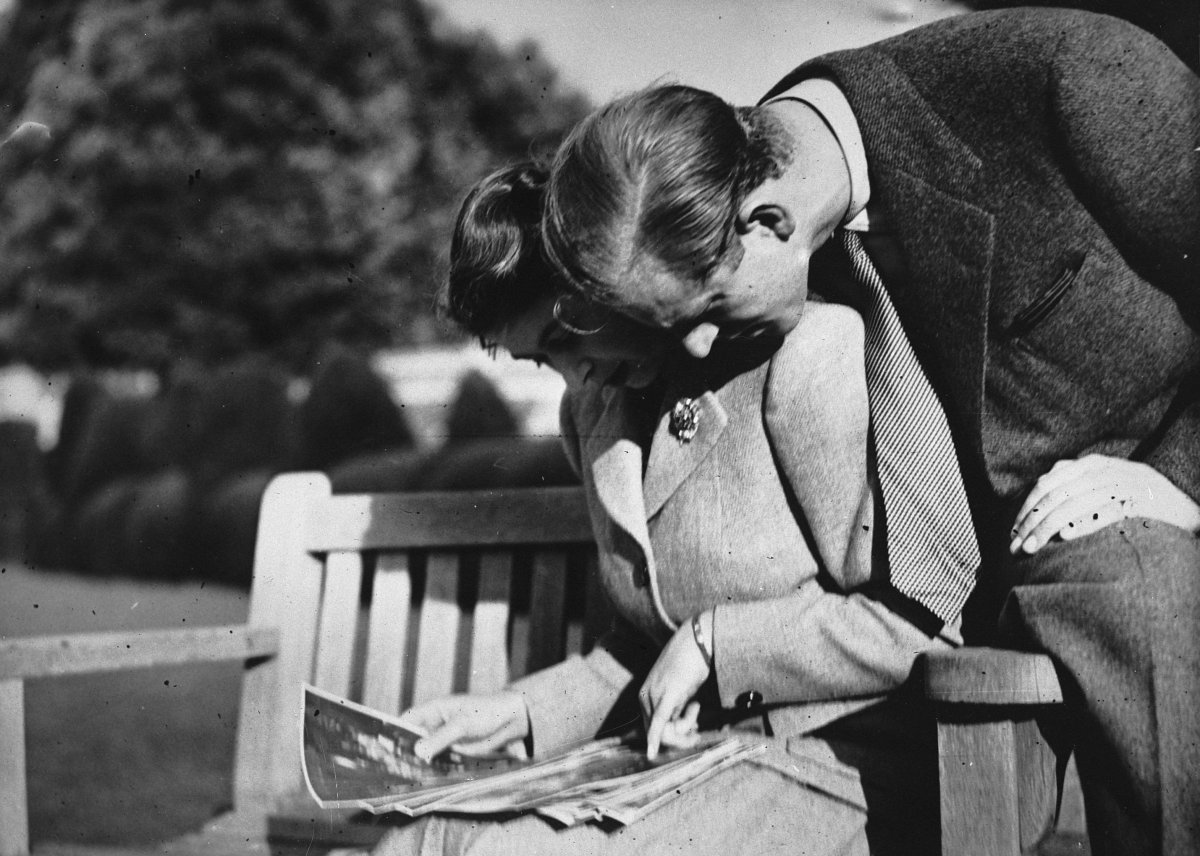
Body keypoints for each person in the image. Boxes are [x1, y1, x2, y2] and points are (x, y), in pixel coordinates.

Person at [540, 8, 1200, 855]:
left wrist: (1179, 480)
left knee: (1138, 585)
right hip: (921, 629)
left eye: (705, 313)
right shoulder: (715, 190)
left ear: (770, 223)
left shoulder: (1069, 78)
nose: (696, 350)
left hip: (1116, 508)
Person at [366, 161, 965, 856]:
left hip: (839, 767)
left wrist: (717, 641)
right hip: (674, 764)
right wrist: (514, 714)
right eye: (539, 360)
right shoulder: (594, 412)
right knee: (423, 842)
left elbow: (922, 623)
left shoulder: (804, 355)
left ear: (611, 277)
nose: (573, 377)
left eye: (565, 336)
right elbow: (647, 645)